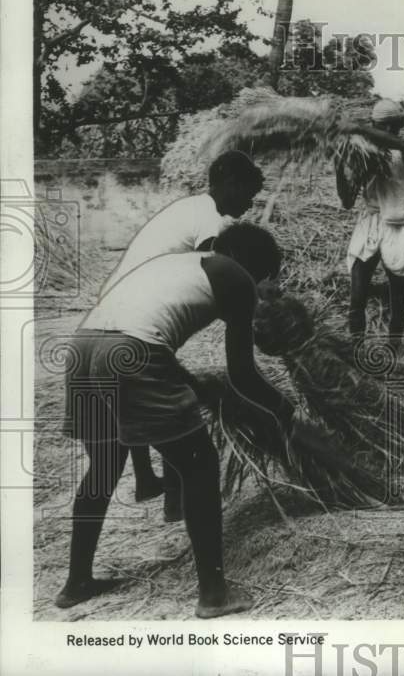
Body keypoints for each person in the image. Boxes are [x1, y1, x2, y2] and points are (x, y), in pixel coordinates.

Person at [58, 223, 292, 616]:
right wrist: (282, 409)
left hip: (83, 348)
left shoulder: (178, 263)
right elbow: (243, 374)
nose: (259, 290)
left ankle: (76, 582)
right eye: (262, 278)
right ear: (251, 263)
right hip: (132, 352)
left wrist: (191, 383)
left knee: (103, 469)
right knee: (200, 465)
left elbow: (144, 324)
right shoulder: (234, 275)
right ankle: (215, 595)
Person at [98, 151, 264, 518]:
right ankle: (175, 500)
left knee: (142, 397)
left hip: (120, 302)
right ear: (230, 183)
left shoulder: (190, 207)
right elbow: (216, 268)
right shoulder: (210, 219)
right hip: (143, 304)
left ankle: (147, 479)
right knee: (176, 403)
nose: (249, 204)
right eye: (248, 193)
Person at [345, 99, 404, 354]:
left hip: (397, 226)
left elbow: (402, 146)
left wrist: (355, 129)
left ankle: (393, 354)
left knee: (398, 300)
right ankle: (357, 350)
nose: (391, 133)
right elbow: (346, 201)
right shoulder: (362, 154)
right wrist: (341, 162)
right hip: (369, 223)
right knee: (357, 298)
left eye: (387, 128)